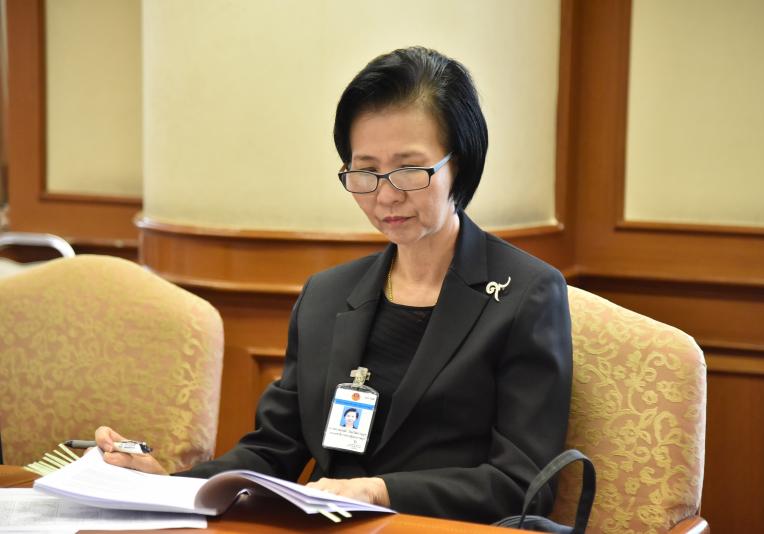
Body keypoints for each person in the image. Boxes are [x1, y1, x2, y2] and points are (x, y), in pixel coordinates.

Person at [95, 46, 572, 524]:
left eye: (409, 170)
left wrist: (378, 490)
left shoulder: (525, 295)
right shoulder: (326, 296)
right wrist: (167, 485)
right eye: (366, 172)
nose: (386, 195)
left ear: (460, 163)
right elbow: (272, 450)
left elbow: (521, 483)